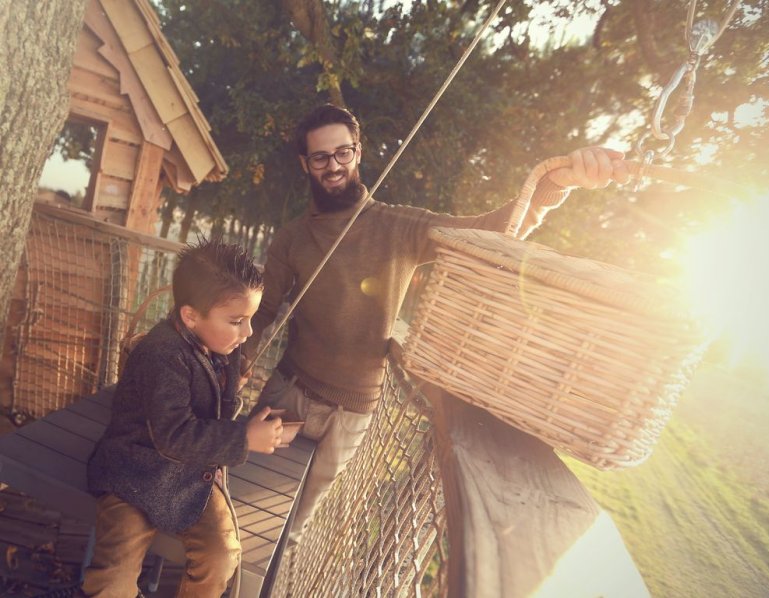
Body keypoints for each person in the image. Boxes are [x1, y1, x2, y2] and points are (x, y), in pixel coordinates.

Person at [243, 103, 631, 544]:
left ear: (358, 152)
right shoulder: (292, 237)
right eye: (320, 157)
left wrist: (554, 183)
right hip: (288, 393)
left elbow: (490, 232)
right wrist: (237, 364)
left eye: (343, 153)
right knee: (245, 511)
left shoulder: (398, 225)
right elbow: (262, 311)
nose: (333, 166)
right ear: (305, 164)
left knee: (289, 530)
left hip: (352, 412)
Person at [81, 239, 285, 598]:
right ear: (191, 316)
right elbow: (175, 435)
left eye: (250, 319)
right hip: (133, 473)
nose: (248, 332)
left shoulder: (220, 347)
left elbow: (207, 409)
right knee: (112, 577)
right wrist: (244, 439)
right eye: (237, 321)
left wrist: (229, 387)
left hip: (193, 475)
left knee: (221, 557)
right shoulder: (161, 355)